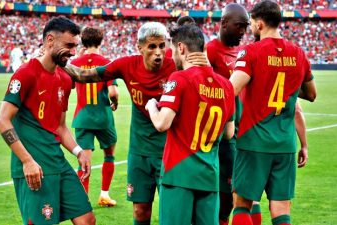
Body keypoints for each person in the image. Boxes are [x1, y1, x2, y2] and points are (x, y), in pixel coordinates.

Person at [65, 22, 208, 225]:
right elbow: (84, 75)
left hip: (172, 152)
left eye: (162, 45)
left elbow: (202, 73)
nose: (158, 52)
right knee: (141, 211)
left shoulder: (175, 64)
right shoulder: (127, 65)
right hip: (139, 151)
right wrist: (56, 60)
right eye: (151, 47)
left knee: (174, 213)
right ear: (140, 47)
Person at [0, 16, 96, 225]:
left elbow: (60, 126)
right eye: (69, 45)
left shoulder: (65, 79)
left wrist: (78, 152)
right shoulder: (26, 73)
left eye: (75, 46)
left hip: (57, 162)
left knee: (87, 219)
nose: (73, 52)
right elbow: (2, 121)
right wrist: (27, 161)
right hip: (34, 167)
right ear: (50, 40)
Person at [229, 1, 317, 225]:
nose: (250, 29)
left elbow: (232, 90)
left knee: (241, 203)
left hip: (254, 141)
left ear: (259, 24)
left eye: (251, 25)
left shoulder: (251, 52)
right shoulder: (298, 54)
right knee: (280, 208)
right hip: (285, 144)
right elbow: (311, 94)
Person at [145, 24, 235, 225]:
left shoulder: (179, 78)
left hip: (179, 174)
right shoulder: (226, 85)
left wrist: (152, 106)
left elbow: (161, 123)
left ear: (182, 48)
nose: (171, 56)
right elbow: (229, 132)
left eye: (172, 50)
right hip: (210, 175)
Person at [205, 3, 249, 225]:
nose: (243, 31)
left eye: (246, 27)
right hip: (220, 135)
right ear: (223, 23)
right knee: (222, 193)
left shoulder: (241, 52)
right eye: (239, 25)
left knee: (235, 194)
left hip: (240, 132)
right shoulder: (211, 50)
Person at [71, 27, 119, 207]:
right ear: (101, 41)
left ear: (82, 42)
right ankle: (104, 195)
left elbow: (69, 87)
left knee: (84, 162)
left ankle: (83, 201)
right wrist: (114, 102)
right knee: (109, 156)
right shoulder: (107, 62)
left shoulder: (75, 62)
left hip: (83, 117)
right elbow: (113, 91)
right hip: (103, 117)